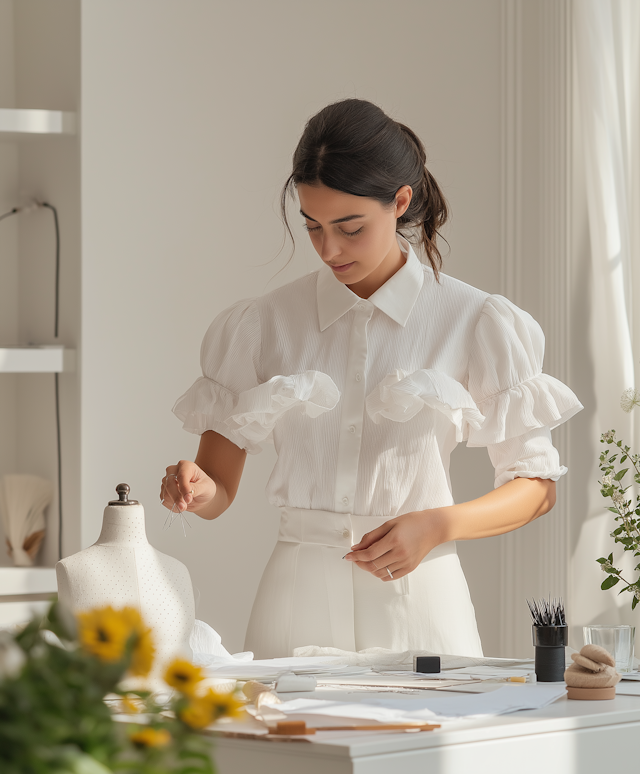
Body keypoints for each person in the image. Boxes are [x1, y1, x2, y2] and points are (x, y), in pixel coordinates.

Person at [161, 99, 583, 658]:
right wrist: (195, 486)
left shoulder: (473, 320)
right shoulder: (261, 324)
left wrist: (436, 525)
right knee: (279, 745)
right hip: (295, 603)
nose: (329, 248)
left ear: (400, 202)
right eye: (312, 226)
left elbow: (536, 489)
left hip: (420, 596)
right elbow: (219, 490)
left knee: (429, 743)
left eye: (350, 227)